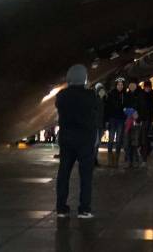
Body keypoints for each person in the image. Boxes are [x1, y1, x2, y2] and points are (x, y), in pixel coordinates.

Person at [55, 64, 98, 218]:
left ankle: (61, 208)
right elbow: (95, 112)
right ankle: (84, 209)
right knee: (85, 175)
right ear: (84, 78)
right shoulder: (90, 95)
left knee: (64, 173)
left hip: (66, 138)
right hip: (85, 139)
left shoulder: (61, 95)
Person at [102, 78, 126, 167]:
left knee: (119, 139)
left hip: (121, 119)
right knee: (111, 138)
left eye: (121, 85)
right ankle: (110, 159)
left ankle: (116, 159)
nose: (120, 86)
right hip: (112, 118)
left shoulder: (125, 94)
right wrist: (107, 120)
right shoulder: (111, 94)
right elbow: (107, 108)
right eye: (118, 85)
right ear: (116, 85)